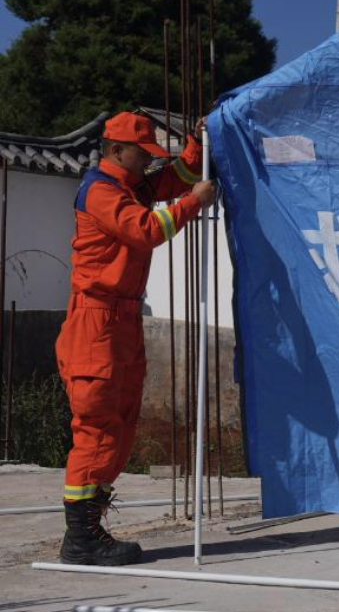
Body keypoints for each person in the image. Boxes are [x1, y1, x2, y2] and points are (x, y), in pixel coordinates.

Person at [56, 111, 216, 565]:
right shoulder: (102, 191)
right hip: (96, 322)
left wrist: (197, 145)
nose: (148, 164)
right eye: (142, 156)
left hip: (121, 320)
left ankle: (90, 529)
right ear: (116, 150)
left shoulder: (129, 185)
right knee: (98, 428)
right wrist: (194, 203)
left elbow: (176, 177)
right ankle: (81, 539)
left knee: (121, 426)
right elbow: (145, 230)